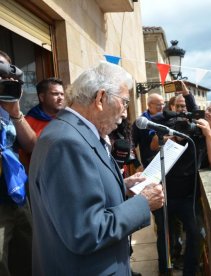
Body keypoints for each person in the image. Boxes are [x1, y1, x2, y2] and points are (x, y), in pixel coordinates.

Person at [29, 62, 164, 275]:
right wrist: (143, 203)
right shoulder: (67, 142)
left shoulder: (77, 133)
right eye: (124, 102)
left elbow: (82, 195)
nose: (125, 112)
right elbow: (85, 232)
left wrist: (123, 186)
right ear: (100, 98)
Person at [151, 100, 211, 275]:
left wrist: (208, 133)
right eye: (210, 110)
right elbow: (154, 145)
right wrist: (174, 135)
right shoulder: (185, 123)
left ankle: (190, 272)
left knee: (197, 234)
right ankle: (164, 271)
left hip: (189, 197)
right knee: (165, 237)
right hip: (164, 193)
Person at [0, 50, 38, 276]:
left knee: (28, 256)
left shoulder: (10, 108)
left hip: (18, 197)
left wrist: (15, 111)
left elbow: (31, 145)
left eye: (5, 70)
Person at [19, 77, 65, 172]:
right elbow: (22, 158)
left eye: (62, 94)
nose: (60, 98)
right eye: (55, 94)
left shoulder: (68, 119)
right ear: (42, 97)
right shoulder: (27, 123)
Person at [132, 93, 165, 168]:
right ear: (149, 105)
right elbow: (131, 144)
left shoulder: (167, 119)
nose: (162, 107)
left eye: (163, 104)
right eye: (159, 105)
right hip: (150, 166)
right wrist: (137, 165)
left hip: (169, 163)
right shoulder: (140, 123)